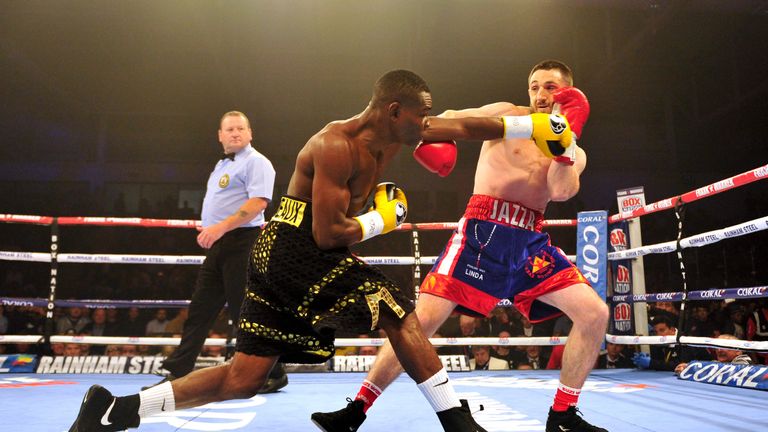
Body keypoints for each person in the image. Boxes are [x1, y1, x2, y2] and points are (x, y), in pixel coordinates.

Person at [69, 70, 571, 432]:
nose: (427, 124)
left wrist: (534, 126)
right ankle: (456, 422)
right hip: (296, 248)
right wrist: (384, 219)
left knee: (244, 378)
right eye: (421, 114)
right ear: (394, 111)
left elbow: (466, 127)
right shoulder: (337, 145)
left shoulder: (399, 129)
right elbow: (330, 236)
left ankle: (117, 410)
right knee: (396, 309)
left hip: (285, 253)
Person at [311, 60, 609, 432]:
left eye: (550, 87)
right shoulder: (506, 115)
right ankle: (356, 409)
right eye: (534, 87)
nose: (540, 95)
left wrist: (565, 141)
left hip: (529, 241)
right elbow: (448, 118)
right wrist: (430, 140)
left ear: (567, 93)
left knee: (595, 314)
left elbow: (562, 191)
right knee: (418, 323)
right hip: (481, 233)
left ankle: (563, 416)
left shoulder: (574, 150)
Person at [143, 111, 283, 393]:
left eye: (240, 129)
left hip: (243, 242)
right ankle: (177, 373)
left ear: (250, 133)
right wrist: (214, 229)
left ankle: (274, 372)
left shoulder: (257, 162)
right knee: (200, 309)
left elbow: (258, 203)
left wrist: (220, 227)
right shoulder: (221, 165)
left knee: (245, 312)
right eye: (229, 129)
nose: (235, 133)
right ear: (220, 135)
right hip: (220, 246)